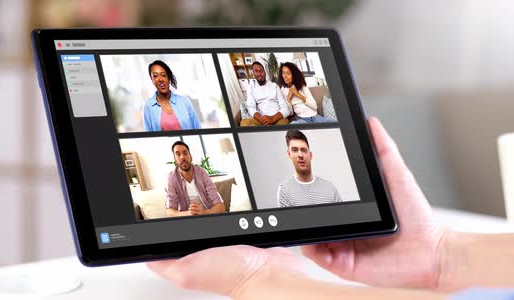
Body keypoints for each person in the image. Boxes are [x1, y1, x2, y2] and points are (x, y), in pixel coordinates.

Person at [149, 117, 514, 299]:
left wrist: (257, 280)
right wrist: (438, 254)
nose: (301, 153)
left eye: (304, 148)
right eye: (293, 149)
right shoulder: (282, 190)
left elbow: (216, 207)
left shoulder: (331, 187)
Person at [278, 129, 342, 207]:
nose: (300, 155)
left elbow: (344, 217)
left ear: (310, 155)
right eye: (295, 150)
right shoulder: (284, 190)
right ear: (289, 155)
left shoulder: (330, 188)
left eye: (304, 150)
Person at [166, 141, 226, 217]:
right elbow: (169, 211)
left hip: (208, 214)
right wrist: (189, 213)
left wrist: (204, 213)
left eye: (185, 153)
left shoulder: (202, 172)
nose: (182, 157)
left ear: (190, 157)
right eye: (178, 154)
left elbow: (221, 207)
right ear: (175, 159)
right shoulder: (171, 178)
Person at [143, 60, 201, 131]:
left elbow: (197, 128)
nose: (160, 79)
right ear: (152, 80)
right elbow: (149, 136)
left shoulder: (184, 101)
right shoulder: (148, 106)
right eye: (155, 76)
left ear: (169, 78)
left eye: (163, 75)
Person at [240, 62, 291, 126]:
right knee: (244, 123)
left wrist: (272, 119)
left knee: (284, 123)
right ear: (253, 73)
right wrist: (261, 119)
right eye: (256, 71)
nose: (259, 73)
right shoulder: (251, 87)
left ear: (265, 72)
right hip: (261, 120)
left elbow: (285, 109)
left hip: (277, 119)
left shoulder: (274, 86)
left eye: (261, 71)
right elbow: (251, 107)